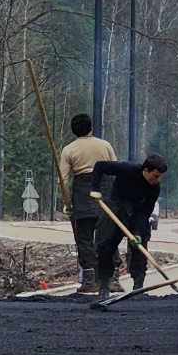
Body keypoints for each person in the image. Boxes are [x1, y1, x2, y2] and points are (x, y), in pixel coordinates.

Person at [90, 153, 166, 298]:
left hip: (137, 212)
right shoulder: (127, 169)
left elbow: (145, 212)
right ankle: (104, 286)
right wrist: (95, 189)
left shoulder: (154, 188)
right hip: (115, 207)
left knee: (140, 246)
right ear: (145, 171)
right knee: (106, 246)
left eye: (159, 176)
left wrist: (137, 232)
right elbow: (100, 166)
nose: (157, 180)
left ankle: (138, 287)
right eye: (155, 176)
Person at [59, 112, 117, 293]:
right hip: (104, 194)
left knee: (84, 239)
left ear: (73, 130)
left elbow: (62, 180)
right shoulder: (105, 146)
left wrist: (67, 203)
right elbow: (116, 170)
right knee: (108, 237)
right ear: (91, 127)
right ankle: (112, 278)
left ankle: (90, 280)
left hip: (82, 196)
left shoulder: (69, 150)